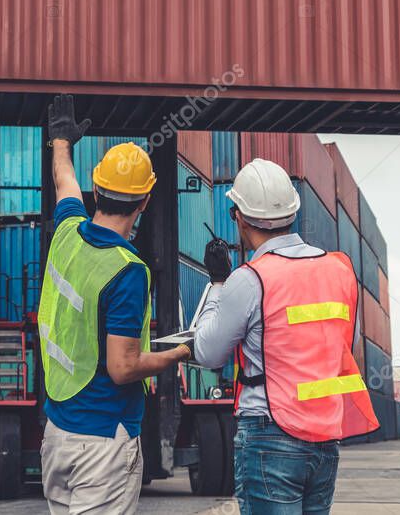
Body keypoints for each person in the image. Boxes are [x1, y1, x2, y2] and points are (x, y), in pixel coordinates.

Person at [193, 158, 379, 514]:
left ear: (240, 217)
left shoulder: (250, 279)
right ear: (293, 211)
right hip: (325, 438)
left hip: (269, 434)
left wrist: (218, 283)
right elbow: (337, 346)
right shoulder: (340, 270)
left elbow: (208, 353)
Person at [39, 94, 191, 515]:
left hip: (57, 434)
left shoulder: (67, 231)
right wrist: (178, 353)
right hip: (103, 442)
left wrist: (61, 141)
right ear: (145, 202)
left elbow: (63, 180)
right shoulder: (127, 270)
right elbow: (122, 367)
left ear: (98, 188)